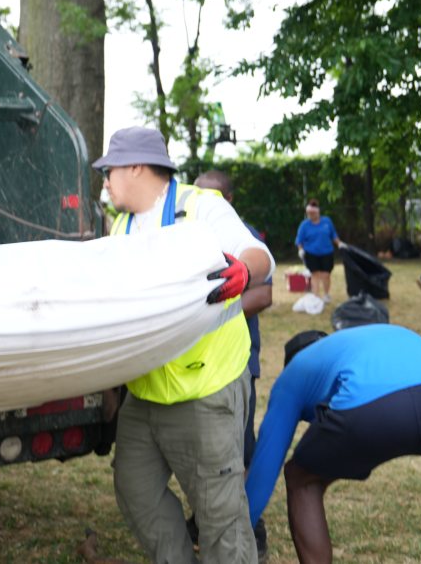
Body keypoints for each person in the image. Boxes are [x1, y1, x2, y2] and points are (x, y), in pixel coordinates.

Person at [95, 127, 275, 563]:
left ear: (136, 167)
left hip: (205, 391)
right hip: (147, 392)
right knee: (134, 488)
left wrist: (243, 273)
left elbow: (260, 256)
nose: (104, 181)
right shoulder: (121, 227)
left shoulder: (200, 209)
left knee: (220, 516)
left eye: (109, 171)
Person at [245, 325, 421, 564]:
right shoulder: (359, 342)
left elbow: (265, 467)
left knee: (301, 479)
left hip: (373, 399)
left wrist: (237, 530)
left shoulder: (294, 373)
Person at [192, 169, 273, 560]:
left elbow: (265, 295)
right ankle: (203, 518)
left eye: (214, 197)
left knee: (240, 446)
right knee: (205, 446)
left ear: (229, 201)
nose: (204, 204)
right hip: (197, 363)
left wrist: (215, 311)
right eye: (199, 195)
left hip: (240, 357)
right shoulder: (187, 232)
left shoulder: (245, 233)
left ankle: (251, 523)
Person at [295, 199, 345, 304]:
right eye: (308, 213)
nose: (310, 215)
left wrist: (339, 244)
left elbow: (333, 235)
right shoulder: (304, 225)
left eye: (312, 213)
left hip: (327, 252)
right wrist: (300, 250)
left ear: (317, 212)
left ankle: (326, 295)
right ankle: (316, 297)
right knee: (315, 274)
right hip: (311, 253)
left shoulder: (327, 221)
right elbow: (299, 240)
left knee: (326, 275)